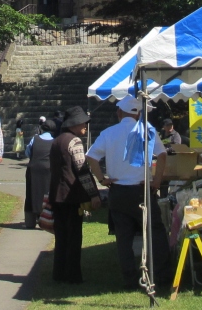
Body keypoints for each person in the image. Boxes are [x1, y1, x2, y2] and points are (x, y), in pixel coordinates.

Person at [86, 95, 172, 291]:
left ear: (119, 112)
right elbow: (162, 154)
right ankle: (163, 274)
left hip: (118, 190)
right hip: (142, 189)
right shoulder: (147, 129)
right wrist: (157, 180)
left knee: (123, 237)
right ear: (139, 114)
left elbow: (91, 156)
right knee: (155, 232)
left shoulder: (109, 133)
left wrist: (102, 179)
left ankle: (129, 279)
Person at [48, 106, 101, 283]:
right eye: (83, 122)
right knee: (74, 237)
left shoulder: (56, 141)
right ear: (74, 124)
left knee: (61, 237)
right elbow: (82, 170)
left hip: (56, 194)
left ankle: (58, 273)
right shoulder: (75, 141)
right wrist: (93, 194)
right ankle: (72, 275)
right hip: (71, 196)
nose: (85, 125)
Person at [24, 115, 56, 229]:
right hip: (48, 170)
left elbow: (28, 152)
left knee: (31, 194)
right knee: (47, 194)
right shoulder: (54, 142)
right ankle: (46, 218)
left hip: (33, 169)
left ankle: (30, 221)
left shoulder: (35, 139)